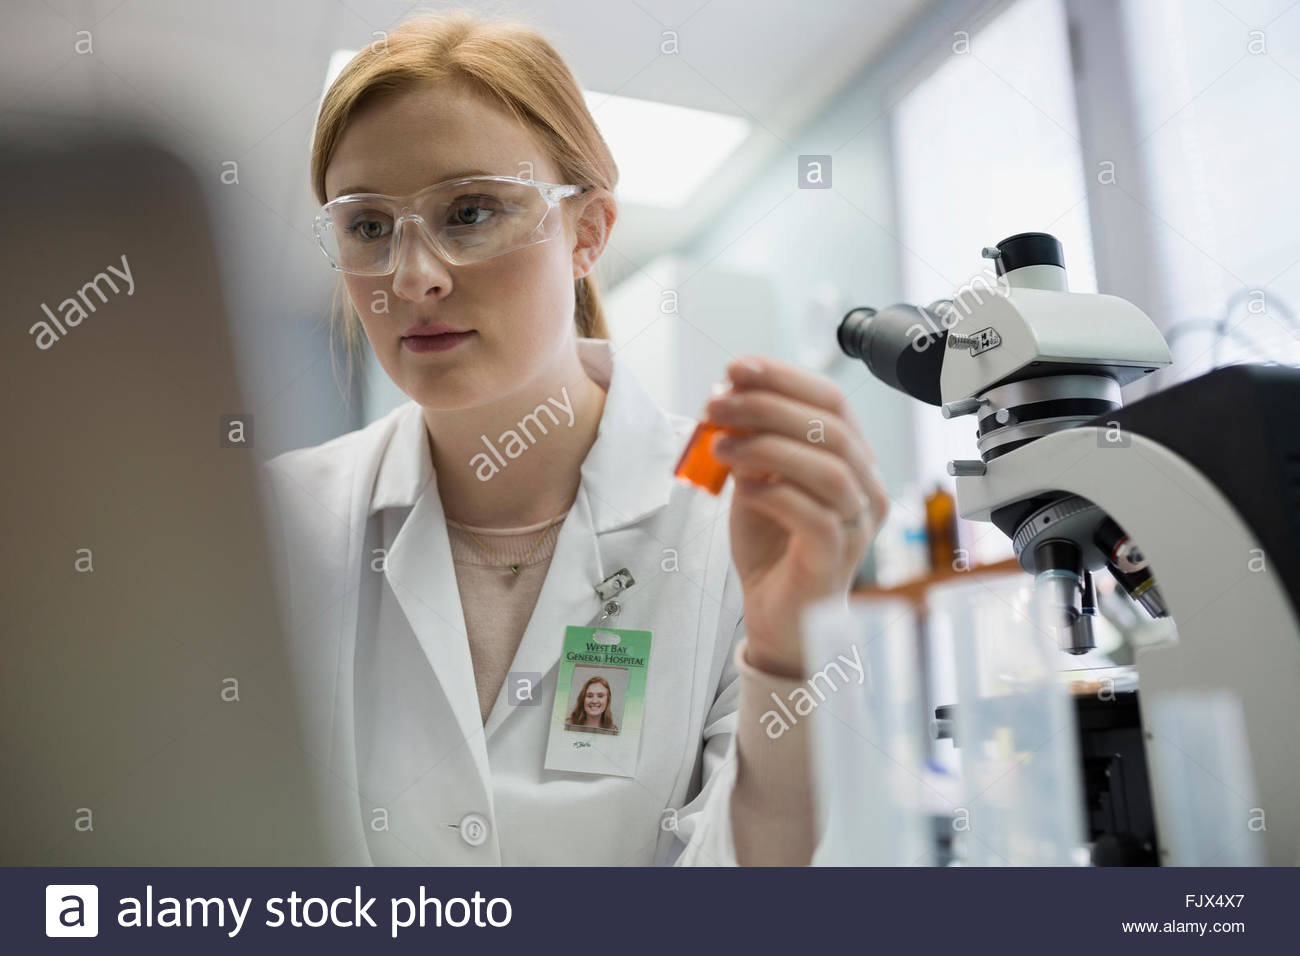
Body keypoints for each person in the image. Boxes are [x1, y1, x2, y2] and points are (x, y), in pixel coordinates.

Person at [260, 9, 888, 866]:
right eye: (369, 226)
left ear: (588, 231)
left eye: (471, 211)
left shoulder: (731, 522)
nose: (414, 275)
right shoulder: (276, 520)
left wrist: (788, 655)